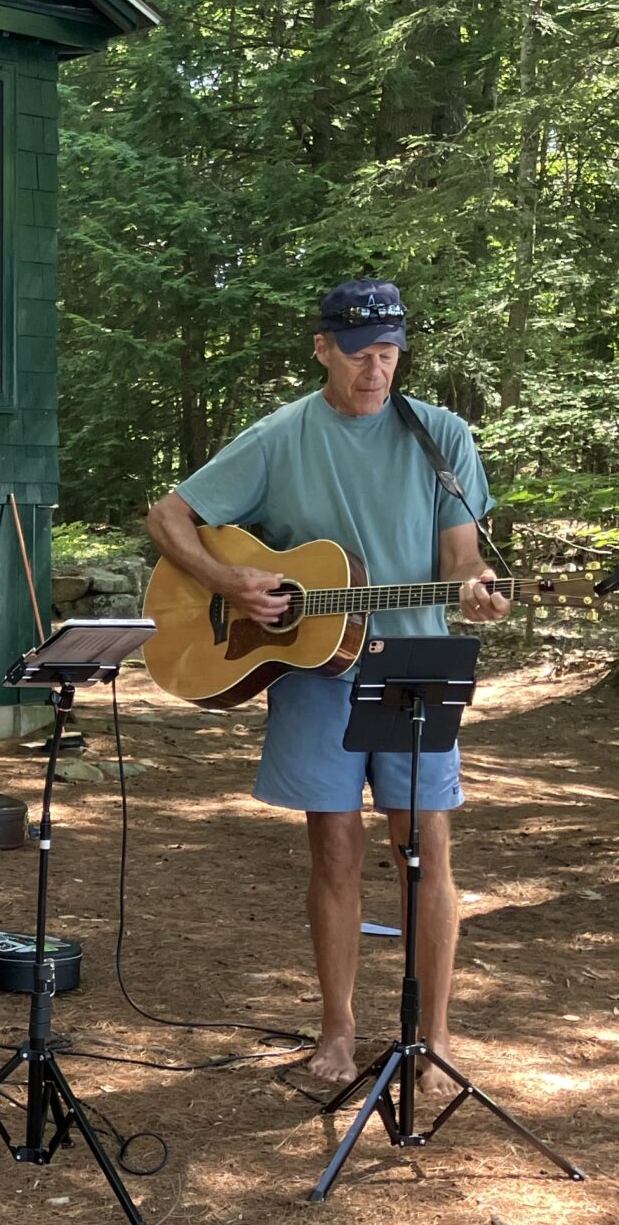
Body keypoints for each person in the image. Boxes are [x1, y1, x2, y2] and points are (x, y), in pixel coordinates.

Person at [143, 280, 511, 1089]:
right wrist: (229, 581)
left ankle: (435, 1038)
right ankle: (338, 1031)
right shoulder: (281, 436)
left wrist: (478, 586)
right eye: (357, 355)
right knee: (335, 851)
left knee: (424, 849)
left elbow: (461, 558)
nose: (374, 372)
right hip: (315, 668)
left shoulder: (440, 435)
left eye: (387, 354)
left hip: (415, 661)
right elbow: (167, 516)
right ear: (322, 349)